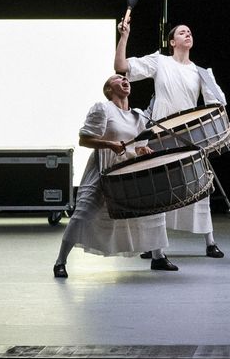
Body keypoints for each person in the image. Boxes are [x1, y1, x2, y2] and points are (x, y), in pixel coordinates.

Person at [114, 11, 228, 258]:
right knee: (160, 186)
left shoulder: (201, 72)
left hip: (190, 134)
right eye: (181, 32)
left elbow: (217, 104)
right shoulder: (160, 62)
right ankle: (155, 247)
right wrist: (124, 36)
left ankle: (210, 242)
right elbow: (122, 67)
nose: (187, 34)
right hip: (161, 132)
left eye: (189, 31)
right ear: (172, 42)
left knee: (200, 185)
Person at [53, 73, 171, 278]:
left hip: (129, 169)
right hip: (104, 167)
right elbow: (84, 139)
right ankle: (60, 262)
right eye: (117, 79)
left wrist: (143, 150)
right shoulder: (103, 108)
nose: (124, 80)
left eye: (125, 79)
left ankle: (158, 257)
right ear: (109, 89)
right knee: (84, 213)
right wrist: (109, 144)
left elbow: (139, 145)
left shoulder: (139, 115)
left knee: (152, 209)